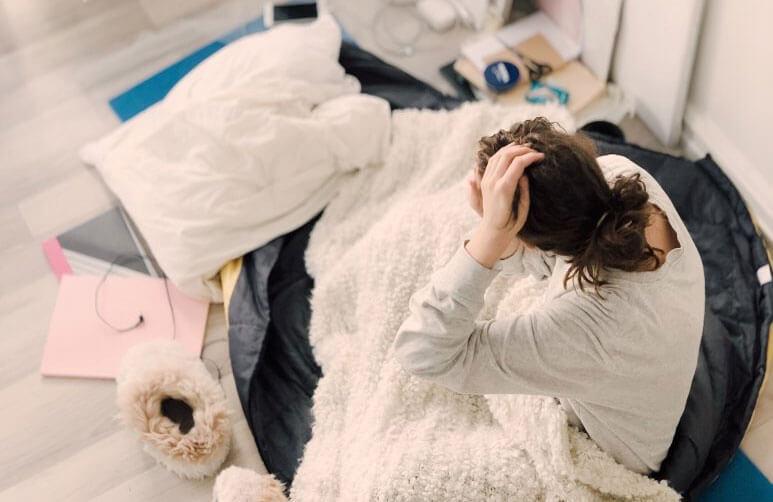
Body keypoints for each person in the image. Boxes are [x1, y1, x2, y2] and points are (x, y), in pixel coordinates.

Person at [393, 118, 705, 474]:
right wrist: (500, 230)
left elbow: (423, 354)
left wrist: (489, 236)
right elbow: (554, 253)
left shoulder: (587, 328)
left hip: (622, 449)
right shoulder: (619, 174)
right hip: (642, 364)